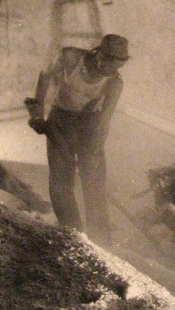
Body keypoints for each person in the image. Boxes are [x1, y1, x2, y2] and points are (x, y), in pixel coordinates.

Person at [26, 34, 129, 248]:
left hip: (89, 127)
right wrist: (37, 114)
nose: (111, 71)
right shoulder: (70, 57)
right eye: (109, 64)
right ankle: (73, 236)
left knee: (94, 185)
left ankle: (101, 243)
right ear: (99, 53)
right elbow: (44, 77)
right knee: (61, 183)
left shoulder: (115, 83)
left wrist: (94, 151)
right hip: (61, 120)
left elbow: (104, 120)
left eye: (118, 66)